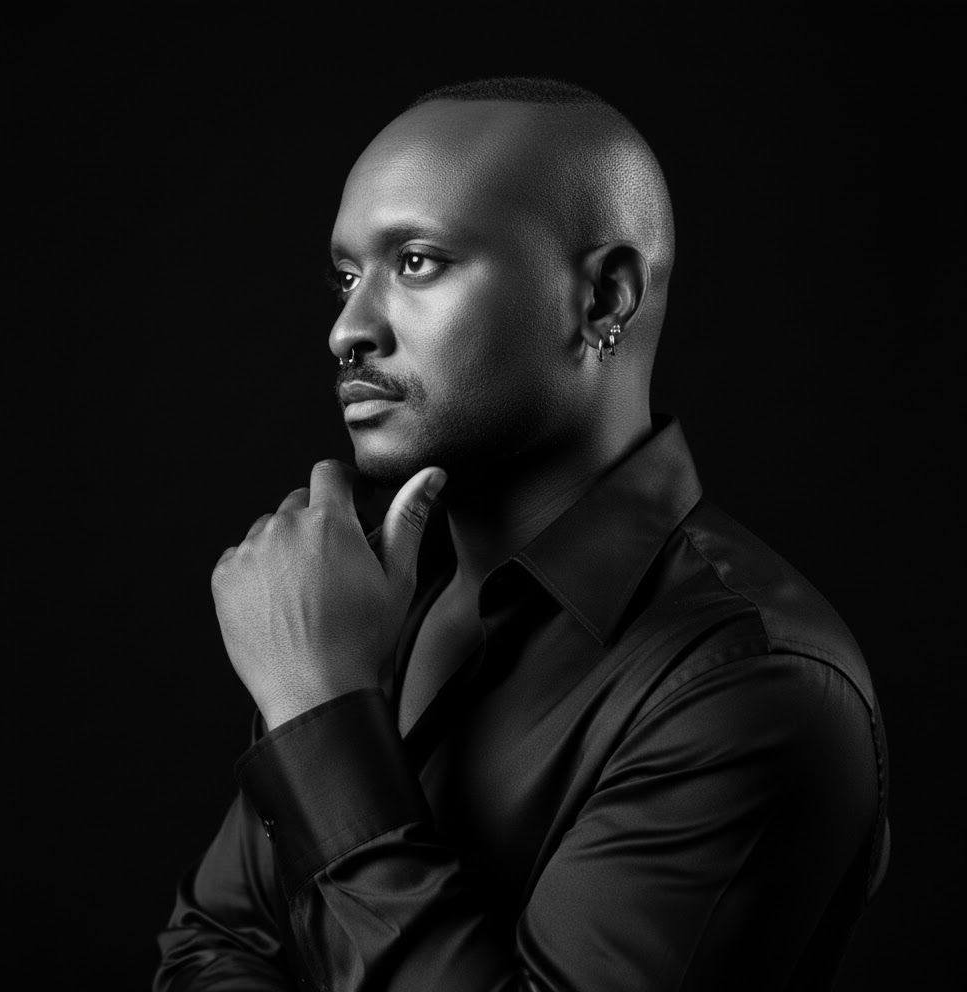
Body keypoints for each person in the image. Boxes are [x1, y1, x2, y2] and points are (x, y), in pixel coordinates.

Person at [153, 76, 889, 991]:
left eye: (416, 262)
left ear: (604, 298)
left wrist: (318, 717)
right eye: (348, 277)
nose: (348, 328)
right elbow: (211, 951)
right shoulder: (359, 597)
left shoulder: (753, 683)